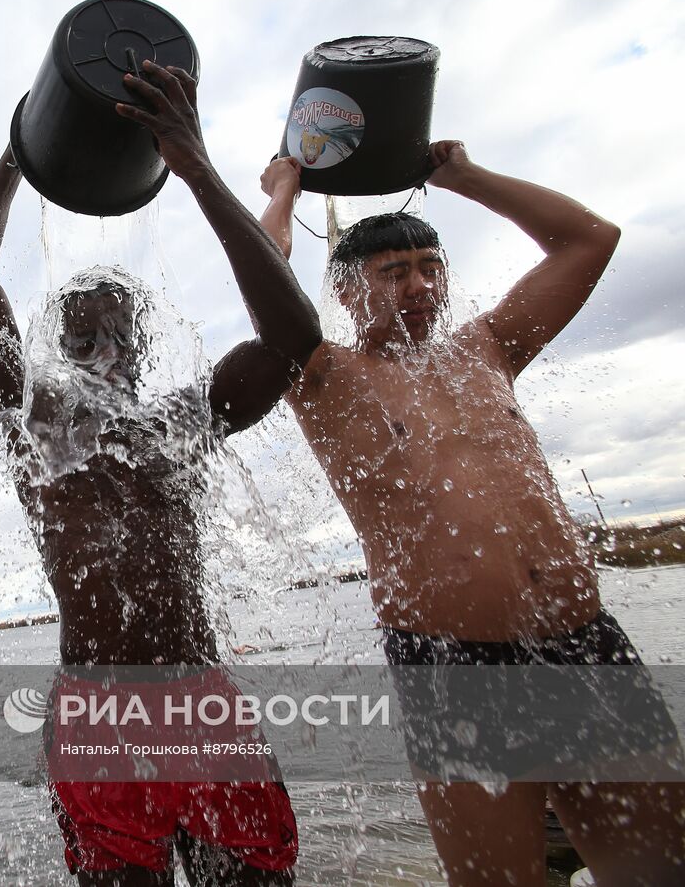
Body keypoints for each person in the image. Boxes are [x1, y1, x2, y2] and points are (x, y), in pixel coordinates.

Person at [258, 146, 685, 885]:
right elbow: (262, 279)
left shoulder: (486, 348)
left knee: (663, 867)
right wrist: (284, 188)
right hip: (456, 666)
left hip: (583, 643)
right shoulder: (326, 375)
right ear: (348, 292)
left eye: (431, 266)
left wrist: (461, 176)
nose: (421, 285)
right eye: (395, 272)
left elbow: (592, 239)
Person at [0, 60, 319, 887]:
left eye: (119, 333)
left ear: (145, 350)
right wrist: (21, 149)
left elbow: (294, 336)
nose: (102, 349)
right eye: (80, 337)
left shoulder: (183, 419)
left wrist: (194, 167)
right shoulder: (36, 423)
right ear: (54, 350)